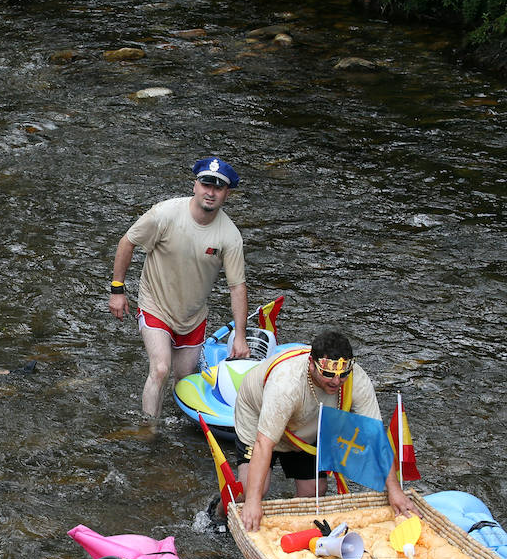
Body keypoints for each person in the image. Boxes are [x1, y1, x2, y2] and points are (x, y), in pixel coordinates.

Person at [109, 156, 249, 423]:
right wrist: (117, 290)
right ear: (194, 185)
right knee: (160, 369)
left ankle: (181, 432)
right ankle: (148, 433)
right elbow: (127, 242)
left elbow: (237, 286)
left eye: (218, 187)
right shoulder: (165, 214)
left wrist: (240, 336)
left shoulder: (230, 236)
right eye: (206, 184)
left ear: (226, 194)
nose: (210, 192)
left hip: (193, 317)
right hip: (155, 305)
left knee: (184, 381)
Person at [233, 329, 415, 531]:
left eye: (342, 375)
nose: (336, 382)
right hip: (258, 416)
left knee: (314, 491)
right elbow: (263, 443)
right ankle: (219, 514)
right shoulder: (286, 384)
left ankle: (285, 531)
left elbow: (375, 436)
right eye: (328, 374)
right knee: (250, 491)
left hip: (305, 424)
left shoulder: (357, 380)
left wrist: (394, 489)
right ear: (311, 364)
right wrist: (253, 502)